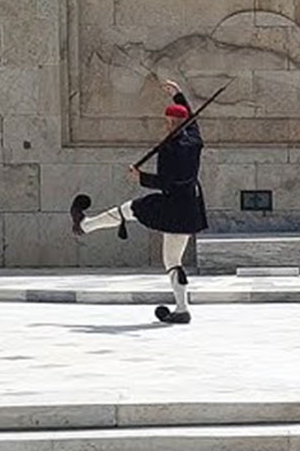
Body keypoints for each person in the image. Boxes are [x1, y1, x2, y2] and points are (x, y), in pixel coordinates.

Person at [70, 80, 208, 324]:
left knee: (130, 209)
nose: (164, 125)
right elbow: (191, 119)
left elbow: (170, 181)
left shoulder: (173, 149)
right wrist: (178, 95)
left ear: (171, 123)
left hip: (173, 204)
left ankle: (85, 225)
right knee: (172, 261)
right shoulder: (193, 138)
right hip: (190, 205)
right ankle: (182, 309)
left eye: (167, 121)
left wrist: (141, 177)